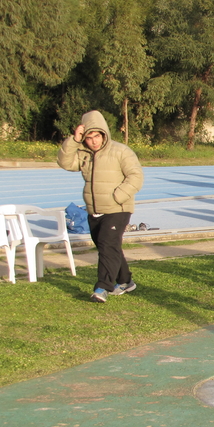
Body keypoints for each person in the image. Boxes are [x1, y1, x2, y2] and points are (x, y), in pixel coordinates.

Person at [57, 110, 144, 303]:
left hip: (118, 209)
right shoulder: (83, 154)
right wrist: (74, 139)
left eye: (97, 136)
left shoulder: (121, 151)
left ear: (104, 134)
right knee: (108, 246)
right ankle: (125, 281)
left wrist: (117, 196)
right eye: (89, 138)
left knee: (107, 244)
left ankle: (102, 288)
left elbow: (136, 177)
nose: (94, 141)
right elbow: (64, 162)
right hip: (94, 210)